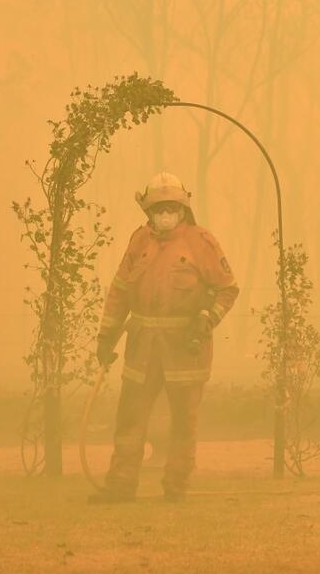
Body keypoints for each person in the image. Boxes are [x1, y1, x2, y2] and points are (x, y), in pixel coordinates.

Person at [90, 172, 239, 503]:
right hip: (142, 347)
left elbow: (228, 289)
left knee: (183, 422)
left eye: (172, 208)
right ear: (148, 212)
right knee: (130, 420)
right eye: (159, 208)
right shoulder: (139, 241)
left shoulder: (202, 243)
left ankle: (176, 488)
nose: (165, 215)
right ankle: (120, 486)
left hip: (185, 349)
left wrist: (207, 318)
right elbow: (120, 290)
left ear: (183, 209)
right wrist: (106, 336)